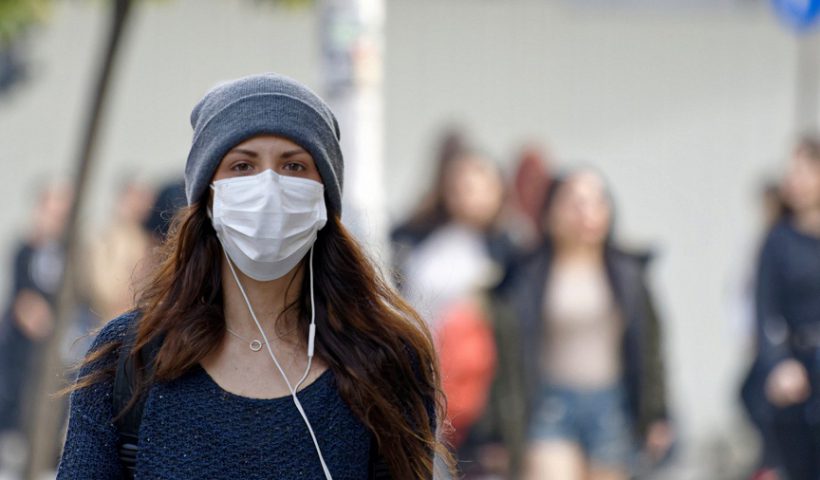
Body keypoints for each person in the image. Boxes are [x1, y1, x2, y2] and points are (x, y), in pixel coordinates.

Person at [57, 73, 447, 479]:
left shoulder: (384, 359)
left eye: (294, 165)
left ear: (324, 197)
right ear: (208, 196)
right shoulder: (130, 357)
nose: (269, 187)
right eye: (242, 166)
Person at [504, 169, 671, 480]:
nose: (587, 213)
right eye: (575, 203)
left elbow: (650, 349)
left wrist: (656, 413)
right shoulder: (528, 273)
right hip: (549, 403)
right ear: (551, 212)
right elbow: (509, 351)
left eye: (597, 202)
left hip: (610, 404)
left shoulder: (628, 273)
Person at [755, 136, 820, 480]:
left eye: (804, 171)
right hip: (801, 366)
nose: (794, 180)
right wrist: (778, 363)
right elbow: (764, 310)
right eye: (790, 173)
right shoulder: (778, 240)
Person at [0, 181, 72, 474]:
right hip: (23, 345)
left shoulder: (68, 252)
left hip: (56, 343)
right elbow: (24, 300)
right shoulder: (26, 250)